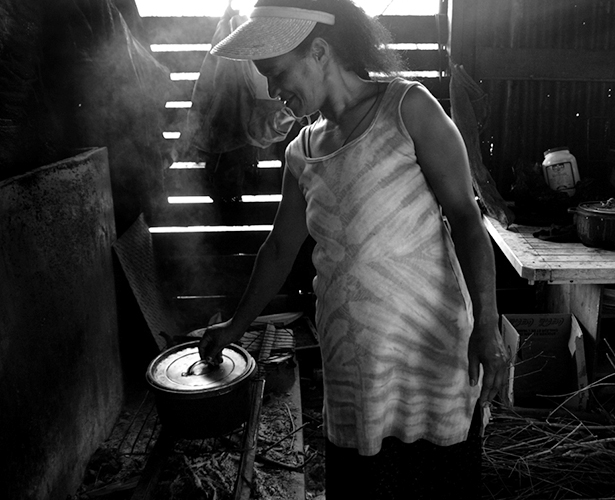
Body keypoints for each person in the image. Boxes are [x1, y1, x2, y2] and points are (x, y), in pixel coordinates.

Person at [198, 0, 508, 498]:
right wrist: (236, 326)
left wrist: (488, 326)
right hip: (354, 363)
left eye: (277, 73)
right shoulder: (302, 152)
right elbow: (278, 250)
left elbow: (468, 222)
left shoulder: (408, 109)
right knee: (364, 484)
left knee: (438, 482)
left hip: (430, 351)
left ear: (320, 51)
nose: (274, 91)